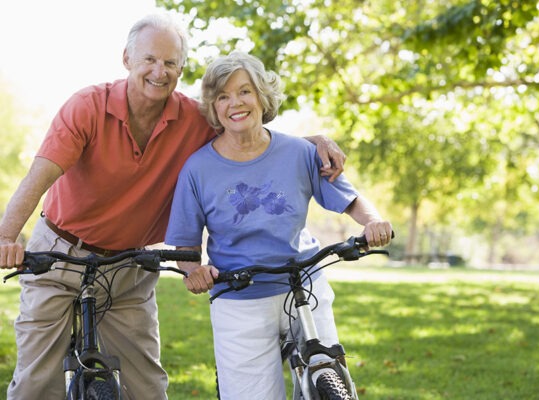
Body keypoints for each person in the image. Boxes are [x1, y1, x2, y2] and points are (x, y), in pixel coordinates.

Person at [0, 14, 346, 400]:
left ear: (181, 68)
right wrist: (6, 237)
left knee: (147, 386)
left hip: (130, 266)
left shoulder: (193, 119)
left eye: (170, 63)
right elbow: (38, 176)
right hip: (60, 255)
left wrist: (310, 142)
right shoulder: (87, 107)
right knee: (35, 382)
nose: (159, 71)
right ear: (127, 59)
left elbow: (249, 132)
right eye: (149, 60)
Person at [164, 51, 393, 399]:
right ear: (213, 107)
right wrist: (193, 271)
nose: (235, 103)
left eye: (244, 91)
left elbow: (351, 200)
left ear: (261, 96)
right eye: (222, 96)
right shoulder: (197, 169)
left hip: (305, 285)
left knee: (331, 380)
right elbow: (184, 244)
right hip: (238, 296)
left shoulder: (300, 152)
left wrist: (374, 222)